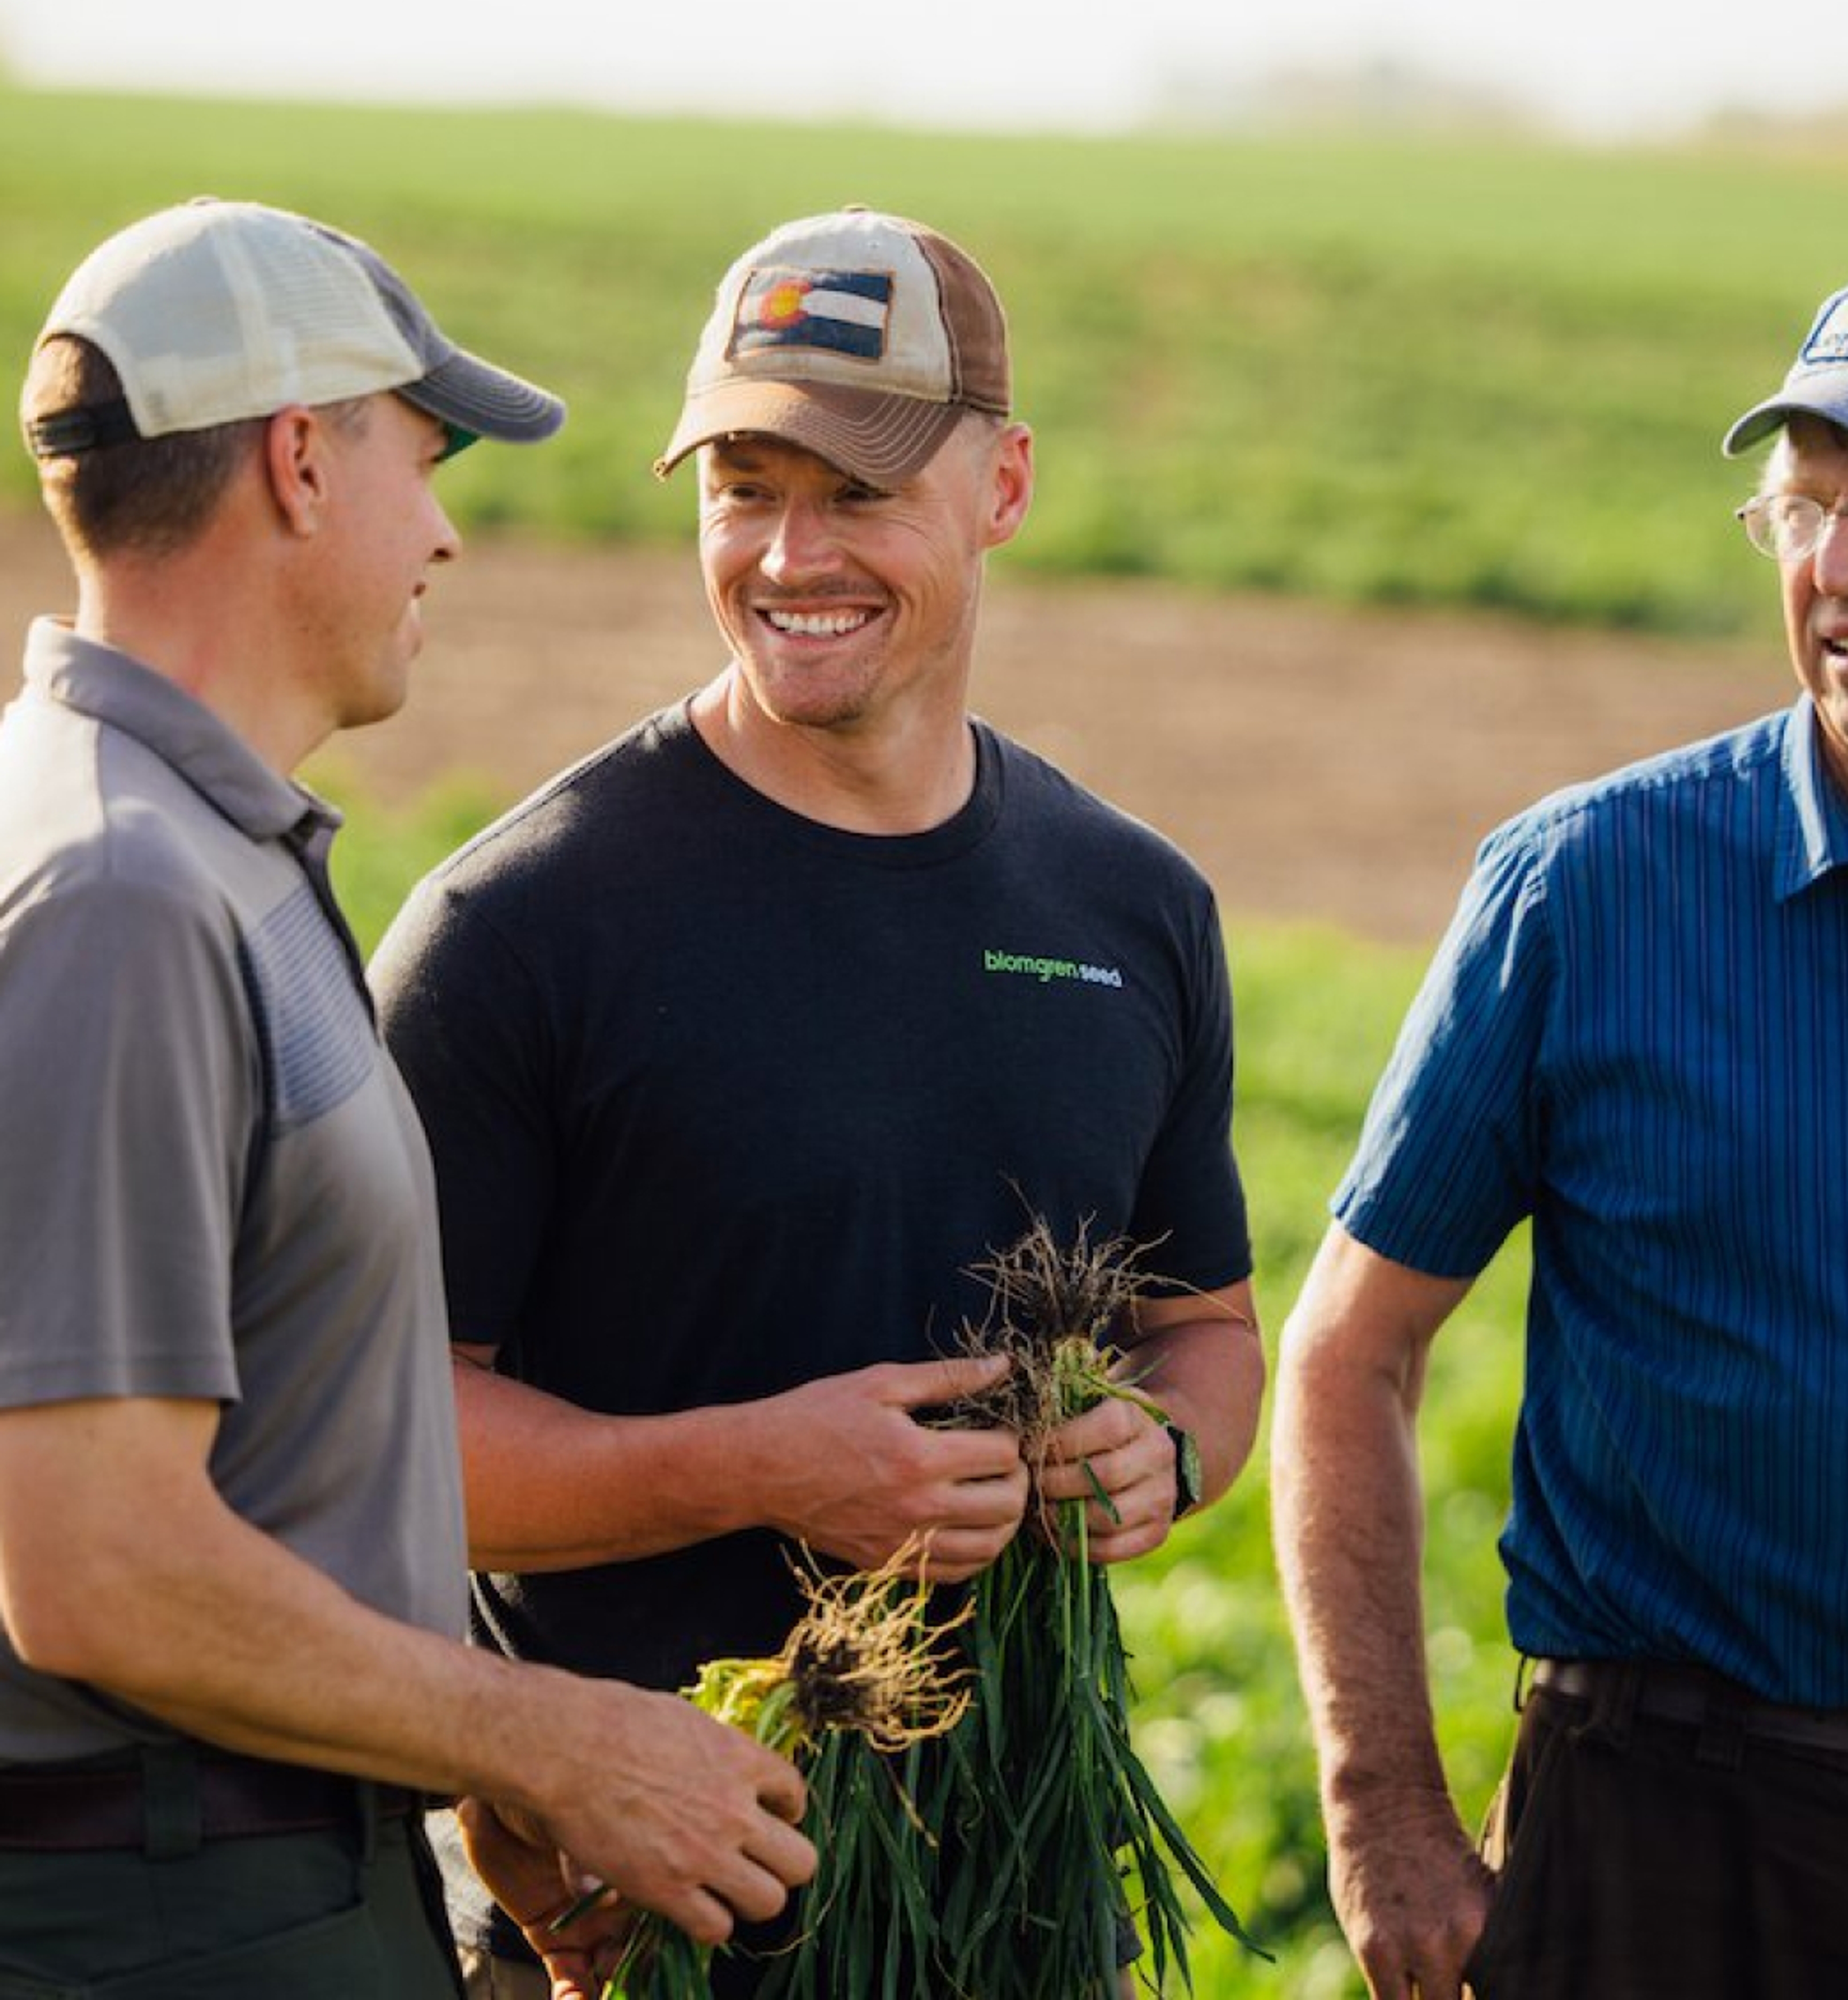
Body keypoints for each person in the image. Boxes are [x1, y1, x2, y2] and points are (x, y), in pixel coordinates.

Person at [368, 204, 1265, 1995]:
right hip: (625, 1923)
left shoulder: (1131, 908)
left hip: (1014, 1895)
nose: (788, 553)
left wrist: (1159, 1451)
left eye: (855, 493)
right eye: (741, 487)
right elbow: (385, 1451)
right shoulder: (520, 927)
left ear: (1002, 486)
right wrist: (766, 1470)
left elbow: (1211, 1330)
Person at [0, 197, 814, 1999]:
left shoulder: (182, 845)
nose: (445, 531)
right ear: (299, 459)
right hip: (177, 1918)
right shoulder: (124, 897)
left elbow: (267, 1441)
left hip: (255, 1873)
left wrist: (456, 1765)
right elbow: (97, 1569)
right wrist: (546, 1739)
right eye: (421, 456)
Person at [1274, 272, 1848, 2000]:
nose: (1838, 568)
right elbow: (1351, 1353)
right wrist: (1382, 1811)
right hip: (1669, 1848)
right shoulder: (1590, 886)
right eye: (1805, 512)